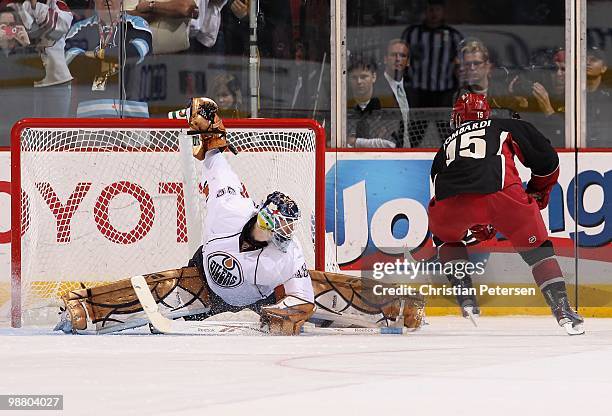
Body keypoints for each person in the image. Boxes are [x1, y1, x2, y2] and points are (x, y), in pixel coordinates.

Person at [54, 98, 425, 335]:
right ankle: (84, 306)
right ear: (261, 216)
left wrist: (289, 315)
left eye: (284, 230)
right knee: (163, 285)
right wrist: (211, 129)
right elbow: (216, 162)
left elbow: (302, 296)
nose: (281, 234)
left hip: (260, 300)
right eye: (275, 225)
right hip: (205, 283)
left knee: (323, 285)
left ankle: (396, 305)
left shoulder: (288, 253)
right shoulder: (229, 207)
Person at [428, 93, 584, 335]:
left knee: (444, 236)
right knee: (538, 252)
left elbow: (443, 188)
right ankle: (562, 310)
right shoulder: (505, 125)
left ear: (457, 118)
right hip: (504, 197)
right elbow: (547, 160)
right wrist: (538, 190)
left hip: (451, 206)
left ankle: (465, 296)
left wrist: (479, 224)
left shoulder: (445, 146)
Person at [64, 0, 152, 117]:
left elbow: (134, 53)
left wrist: (95, 55)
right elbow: (74, 64)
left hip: (133, 113)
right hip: (90, 114)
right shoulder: (78, 28)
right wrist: (115, 58)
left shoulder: (137, 24)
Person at [401, 0, 463, 109]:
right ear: (425, 11)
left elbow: (460, 64)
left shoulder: (454, 36)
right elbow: (401, 61)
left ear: (443, 12)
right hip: (416, 90)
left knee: (445, 126)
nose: (434, 13)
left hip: (446, 91)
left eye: (437, 10)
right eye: (430, 9)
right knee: (413, 126)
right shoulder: (411, 33)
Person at [347, 54, 402, 148]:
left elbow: (391, 145)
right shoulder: (340, 107)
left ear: (374, 77)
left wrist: (356, 142)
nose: (359, 81)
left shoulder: (387, 105)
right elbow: (331, 143)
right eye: (354, 77)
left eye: (364, 77)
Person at [374, 38, 412, 147]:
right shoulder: (376, 87)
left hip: (409, 151)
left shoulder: (412, 90)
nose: (398, 59)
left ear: (408, 62)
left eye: (402, 56)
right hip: (384, 150)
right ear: (385, 59)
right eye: (393, 55)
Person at [584, 46, 612, 147]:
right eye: (585, 59)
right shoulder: (572, 95)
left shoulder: (609, 98)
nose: (587, 63)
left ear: (604, 68)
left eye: (593, 60)